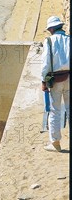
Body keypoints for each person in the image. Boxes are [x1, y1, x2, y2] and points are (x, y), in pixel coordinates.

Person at [41, 16, 70, 152]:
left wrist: (43, 81)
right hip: (69, 77)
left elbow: (45, 64)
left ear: (52, 28)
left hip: (55, 80)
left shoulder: (49, 41)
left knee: (55, 110)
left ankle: (55, 143)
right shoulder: (69, 40)